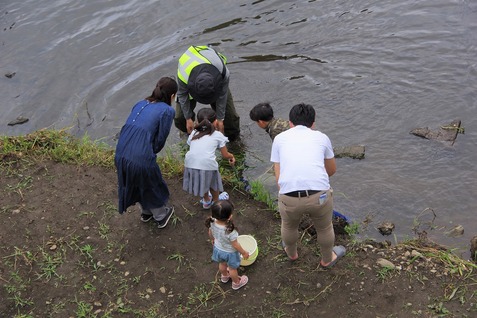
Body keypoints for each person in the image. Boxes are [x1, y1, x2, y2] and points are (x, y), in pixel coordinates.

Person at [270, 103, 346, 268]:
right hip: (319, 196)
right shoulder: (322, 137)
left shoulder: (279, 139)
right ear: (313, 123)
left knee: (289, 226)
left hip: (289, 198)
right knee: (325, 227)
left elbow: (278, 176)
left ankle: (292, 254)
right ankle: (327, 259)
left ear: (290, 123)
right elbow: (332, 170)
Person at [115, 77, 177, 229]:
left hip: (120, 153)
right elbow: (160, 140)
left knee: (137, 181)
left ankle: (146, 212)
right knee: (151, 182)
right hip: (139, 155)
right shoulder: (167, 111)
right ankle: (161, 216)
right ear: (172, 96)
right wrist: (150, 152)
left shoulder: (141, 103)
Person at [175, 45, 241, 141]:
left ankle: (234, 140)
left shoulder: (222, 72)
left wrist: (220, 119)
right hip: (190, 81)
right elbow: (182, 95)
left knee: (229, 117)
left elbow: (222, 95)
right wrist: (188, 118)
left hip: (213, 75)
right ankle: (189, 135)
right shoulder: (184, 75)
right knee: (180, 118)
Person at [183, 108, 235, 209]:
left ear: (197, 122)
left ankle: (206, 201)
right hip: (208, 165)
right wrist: (231, 156)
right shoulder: (218, 135)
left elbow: (193, 147)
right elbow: (225, 155)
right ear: (215, 121)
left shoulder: (193, 133)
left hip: (190, 165)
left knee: (203, 180)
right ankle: (216, 201)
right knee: (213, 183)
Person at [205, 200, 249, 290]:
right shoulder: (230, 230)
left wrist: (212, 239)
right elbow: (235, 245)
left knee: (222, 264)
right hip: (230, 253)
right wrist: (244, 253)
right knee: (232, 269)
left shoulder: (212, 221)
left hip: (218, 248)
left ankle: (224, 276)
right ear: (229, 216)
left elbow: (210, 232)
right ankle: (236, 283)